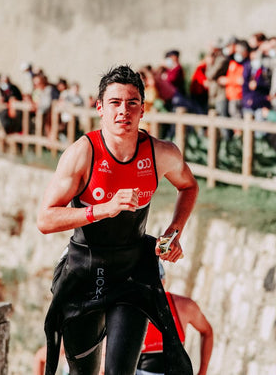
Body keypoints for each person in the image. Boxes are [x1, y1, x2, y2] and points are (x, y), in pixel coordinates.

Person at [37, 65, 199, 375]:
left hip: (132, 272)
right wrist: (103, 209)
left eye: (132, 102)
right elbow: (45, 219)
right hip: (85, 271)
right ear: (99, 108)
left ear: (142, 109)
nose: (123, 111)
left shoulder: (160, 153)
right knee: (82, 372)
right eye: (114, 102)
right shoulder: (82, 153)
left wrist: (172, 234)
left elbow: (189, 186)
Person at [136, 263, 213, 375]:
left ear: (163, 281)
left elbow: (207, 332)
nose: (151, 288)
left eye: (156, 283)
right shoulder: (130, 310)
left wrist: (203, 371)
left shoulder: (184, 306)